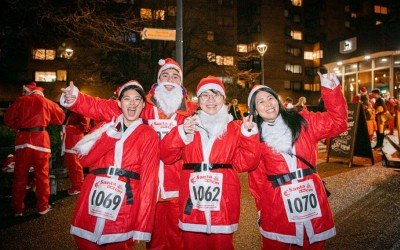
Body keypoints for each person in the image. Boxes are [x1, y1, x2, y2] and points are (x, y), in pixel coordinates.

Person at [60, 58, 197, 250]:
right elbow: (102, 107)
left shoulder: (191, 112)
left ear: (181, 83)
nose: (170, 80)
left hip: (176, 186)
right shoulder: (142, 106)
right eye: (165, 75)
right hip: (143, 185)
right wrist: (76, 98)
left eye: (175, 76)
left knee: (177, 238)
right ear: (157, 81)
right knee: (151, 239)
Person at [247, 71, 348, 249]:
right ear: (254, 109)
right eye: (260, 102)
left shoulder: (303, 122)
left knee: (313, 243)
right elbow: (257, 179)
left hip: (310, 194)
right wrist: (261, 209)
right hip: (276, 201)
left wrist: (330, 89)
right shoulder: (254, 136)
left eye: (270, 98)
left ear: (277, 100)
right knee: (276, 244)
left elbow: (338, 121)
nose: (268, 104)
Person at [160, 76, 260, 249]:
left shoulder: (235, 127)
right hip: (192, 198)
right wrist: (181, 133)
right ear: (198, 100)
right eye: (205, 95)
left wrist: (249, 136)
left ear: (224, 98)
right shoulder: (189, 124)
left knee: (222, 245)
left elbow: (247, 163)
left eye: (216, 94)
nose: (211, 100)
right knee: (192, 244)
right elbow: (166, 156)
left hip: (224, 199)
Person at [64, 81, 160, 248]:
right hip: (92, 197)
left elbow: (149, 182)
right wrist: (109, 137)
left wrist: (142, 226)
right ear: (118, 103)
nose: (132, 103)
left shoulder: (149, 134)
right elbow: (84, 161)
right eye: (127, 99)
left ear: (143, 104)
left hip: (125, 203)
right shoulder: (105, 127)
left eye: (137, 99)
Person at [4, 85, 65, 216]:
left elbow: (8, 119)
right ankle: (42, 207)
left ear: (29, 92)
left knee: (19, 177)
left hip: (23, 142)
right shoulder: (48, 102)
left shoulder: (21, 100)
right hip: (41, 142)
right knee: (42, 176)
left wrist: (20, 127)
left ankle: (18, 209)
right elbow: (60, 118)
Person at [60, 110, 90, 195]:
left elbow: (84, 127)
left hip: (74, 140)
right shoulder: (72, 111)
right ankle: (75, 185)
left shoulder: (80, 111)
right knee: (71, 165)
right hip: (70, 140)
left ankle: (78, 187)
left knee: (75, 165)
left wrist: (66, 128)